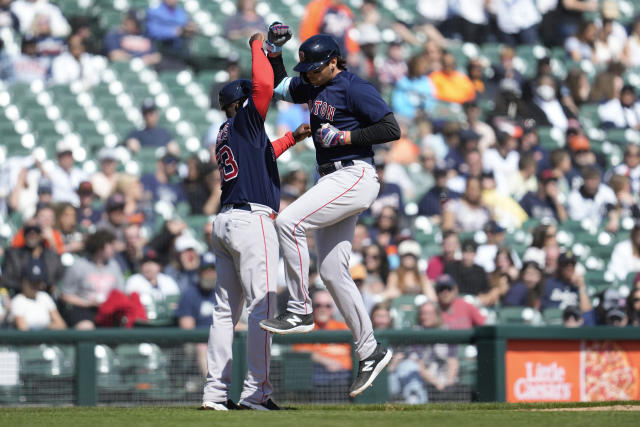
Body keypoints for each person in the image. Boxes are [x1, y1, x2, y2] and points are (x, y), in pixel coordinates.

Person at [259, 30, 399, 397]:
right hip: (334, 178)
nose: (308, 73)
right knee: (333, 272)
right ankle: (370, 351)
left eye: (314, 67)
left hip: (354, 173)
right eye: (305, 68)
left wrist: (350, 138)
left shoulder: (354, 87)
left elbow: (391, 128)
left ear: (334, 62)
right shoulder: (313, 85)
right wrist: (274, 50)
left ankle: (300, 308)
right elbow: (278, 85)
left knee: (288, 222)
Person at [201, 30, 311, 412]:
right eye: (249, 98)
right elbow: (265, 83)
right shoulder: (247, 119)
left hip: (225, 222)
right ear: (241, 103)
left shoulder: (227, 132)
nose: (257, 100)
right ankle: (256, 394)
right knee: (262, 310)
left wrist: (292, 138)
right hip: (252, 221)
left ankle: (214, 395)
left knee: (223, 313)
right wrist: (256, 45)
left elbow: (263, 155)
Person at [292, 288, 353, 402]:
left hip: (344, 377)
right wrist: (324, 360)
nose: (323, 309)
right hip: (317, 377)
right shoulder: (305, 328)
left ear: (332, 309)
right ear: (312, 307)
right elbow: (299, 350)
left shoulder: (342, 328)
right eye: (318, 305)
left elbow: (354, 353)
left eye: (327, 306)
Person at [59, 229, 125, 330]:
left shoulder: (114, 266)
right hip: (83, 310)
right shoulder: (79, 265)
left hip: (108, 310)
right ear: (100, 247)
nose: (114, 249)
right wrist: (88, 303)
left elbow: (120, 292)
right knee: (86, 327)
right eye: (110, 246)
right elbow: (65, 295)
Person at [175, 251, 218, 377]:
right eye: (205, 270)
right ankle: (214, 391)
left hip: (222, 338)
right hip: (198, 342)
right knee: (202, 347)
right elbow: (188, 328)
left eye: (212, 270)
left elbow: (234, 323)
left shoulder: (222, 293)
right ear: (199, 272)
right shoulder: (190, 294)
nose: (209, 274)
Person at [9, 259, 66, 330]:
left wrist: (45, 328)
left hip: (48, 340)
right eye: (31, 282)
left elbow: (62, 325)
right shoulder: (18, 301)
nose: (35, 286)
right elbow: (23, 329)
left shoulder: (44, 297)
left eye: (38, 282)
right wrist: (48, 327)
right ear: (23, 281)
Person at [125, 247, 180, 321]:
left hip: (167, 322)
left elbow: (175, 303)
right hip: (142, 324)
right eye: (145, 263)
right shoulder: (134, 281)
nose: (149, 266)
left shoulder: (168, 281)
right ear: (140, 266)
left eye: (153, 263)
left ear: (159, 266)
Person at [48, 140, 88, 206]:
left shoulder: (81, 174)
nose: (66, 159)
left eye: (69, 155)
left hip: (77, 208)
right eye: (63, 156)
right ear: (58, 158)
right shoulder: (52, 173)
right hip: (58, 208)